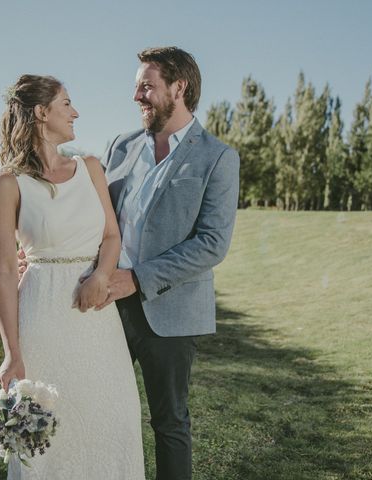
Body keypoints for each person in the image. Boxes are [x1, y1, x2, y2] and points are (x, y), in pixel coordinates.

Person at [0, 74, 145, 480]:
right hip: (40, 315)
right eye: (66, 103)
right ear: (41, 113)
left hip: (96, 319)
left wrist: (101, 275)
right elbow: (5, 270)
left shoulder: (91, 167)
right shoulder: (6, 184)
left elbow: (111, 236)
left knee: (111, 418)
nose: (75, 112)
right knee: (50, 435)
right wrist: (11, 352)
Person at [98, 47, 240, 480]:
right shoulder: (119, 146)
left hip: (172, 314)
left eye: (147, 86)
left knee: (169, 422)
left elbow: (213, 243)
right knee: (102, 412)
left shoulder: (216, 157)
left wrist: (137, 279)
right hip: (106, 307)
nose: (137, 95)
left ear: (179, 88)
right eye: (137, 86)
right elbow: (96, 220)